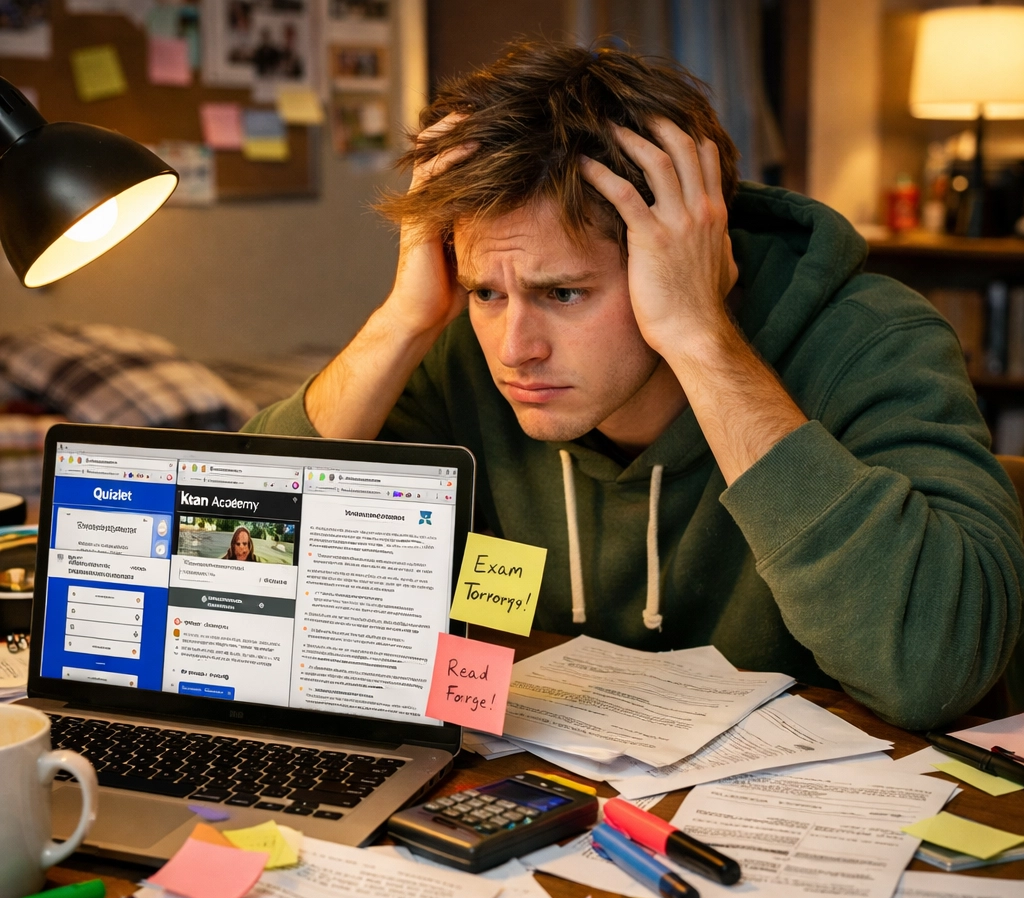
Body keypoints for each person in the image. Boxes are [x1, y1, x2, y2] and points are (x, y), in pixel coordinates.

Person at [244, 42, 1024, 729]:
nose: (516, 348)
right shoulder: (459, 356)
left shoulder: (870, 342)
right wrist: (404, 321)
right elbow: (229, 566)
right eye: (488, 292)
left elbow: (936, 671)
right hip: (551, 825)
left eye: (564, 293)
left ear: (683, 255)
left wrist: (701, 338)